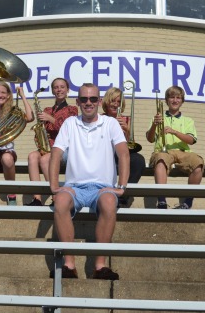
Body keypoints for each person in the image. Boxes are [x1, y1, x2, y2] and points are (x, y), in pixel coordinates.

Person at [49, 83, 129, 280]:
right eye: (84, 99)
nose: (88, 103)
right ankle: (69, 265)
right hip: (74, 187)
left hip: (102, 187)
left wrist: (122, 186)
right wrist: (53, 186)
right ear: (77, 102)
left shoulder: (110, 123)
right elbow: (56, 154)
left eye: (93, 99)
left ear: (99, 101)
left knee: (109, 202)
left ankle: (100, 266)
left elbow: (124, 154)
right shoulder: (69, 123)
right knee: (59, 201)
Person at [146, 85, 204, 209]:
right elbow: (150, 139)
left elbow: (191, 140)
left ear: (182, 101)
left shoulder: (188, 120)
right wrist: (154, 126)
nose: (175, 100)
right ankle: (161, 201)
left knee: (198, 162)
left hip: (183, 151)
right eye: (172, 97)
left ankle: (188, 202)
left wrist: (174, 132)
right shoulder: (157, 117)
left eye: (178, 98)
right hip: (163, 151)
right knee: (160, 159)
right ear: (167, 100)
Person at [26, 78, 78, 206]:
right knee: (32, 156)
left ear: (67, 90)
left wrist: (51, 119)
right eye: (56, 87)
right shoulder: (47, 109)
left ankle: (56, 198)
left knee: (44, 160)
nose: (59, 90)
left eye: (62, 87)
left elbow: (69, 130)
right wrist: (39, 135)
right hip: (47, 147)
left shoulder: (73, 109)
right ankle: (37, 199)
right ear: (52, 91)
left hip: (62, 149)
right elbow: (42, 129)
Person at [101, 86, 146, 207]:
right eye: (113, 101)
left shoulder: (126, 119)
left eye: (118, 102)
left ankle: (123, 196)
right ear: (106, 102)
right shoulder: (100, 118)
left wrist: (127, 129)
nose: (116, 104)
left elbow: (131, 144)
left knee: (138, 160)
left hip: (119, 154)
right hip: (103, 153)